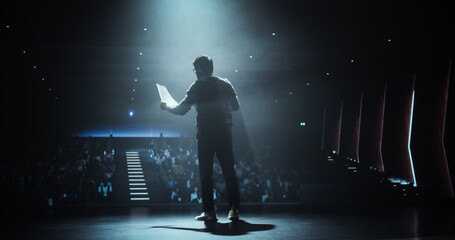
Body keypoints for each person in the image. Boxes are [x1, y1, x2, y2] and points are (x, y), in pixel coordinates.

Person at [160, 55, 240, 221]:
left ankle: (210, 212)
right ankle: (234, 210)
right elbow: (235, 106)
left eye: (195, 69)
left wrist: (166, 106)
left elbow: (181, 110)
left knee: (206, 173)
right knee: (229, 171)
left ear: (200, 69)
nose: (195, 72)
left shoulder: (197, 86)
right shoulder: (226, 83)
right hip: (225, 131)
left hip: (206, 132)